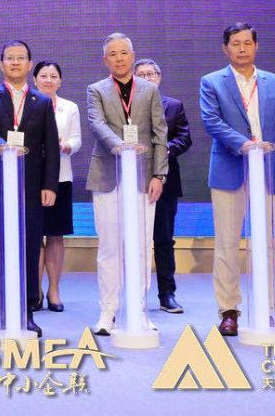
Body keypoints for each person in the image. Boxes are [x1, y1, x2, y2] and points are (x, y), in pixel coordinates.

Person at [200, 22, 275, 337]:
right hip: (229, 169)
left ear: (256, 46)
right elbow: (211, 121)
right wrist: (244, 144)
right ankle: (229, 310)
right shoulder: (212, 81)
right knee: (227, 243)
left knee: (265, 244)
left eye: (247, 43)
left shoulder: (274, 82)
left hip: (268, 171)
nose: (242, 48)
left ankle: (267, 310)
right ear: (225, 48)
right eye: (236, 43)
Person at [0, 41, 60, 337]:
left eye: (20, 58)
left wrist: (50, 185)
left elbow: (51, 146)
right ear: (1, 64)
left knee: (29, 245)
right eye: (9, 58)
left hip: (31, 188)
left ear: (29, 64)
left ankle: (27, 310)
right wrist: (3, 146)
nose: (15, 62)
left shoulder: (42, 101)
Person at [86, 34, 168, 336]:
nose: (119, 58)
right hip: (107, 174)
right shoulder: (96, 90)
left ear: (132, 56)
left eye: (124, 52)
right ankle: (107, 312)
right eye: (113, 54)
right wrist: (120, 146)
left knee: (142, 245)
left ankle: (139, 310)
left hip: (144, 178)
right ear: (105, 59)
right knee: (109, 246)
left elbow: (160, 133)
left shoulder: (149, 90)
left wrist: (159, 175)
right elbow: (96, 123)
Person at [134, 58, 193, 314]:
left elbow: (185, 138)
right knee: (134, 239)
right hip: (133, 178)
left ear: (159, 77)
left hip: (166, 180)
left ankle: (167, 294)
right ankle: (134, 295)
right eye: (141, 75)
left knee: (163, 239)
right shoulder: (127, 107)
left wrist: (164, 150)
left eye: (151, 74)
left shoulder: (173, 105)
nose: (147, 78)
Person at [33, 60, 81, 314]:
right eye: (43, 76)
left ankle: (53, 290)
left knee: (55, 235)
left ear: (60, 81)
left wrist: (65, 145)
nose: (48, 80)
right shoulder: (26, 105)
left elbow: (77, 139)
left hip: (60, 177)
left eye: (53, 76)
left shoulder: (69, 107)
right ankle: (35, 291)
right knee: (33, 235)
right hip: (32, 179)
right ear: (35, 80)